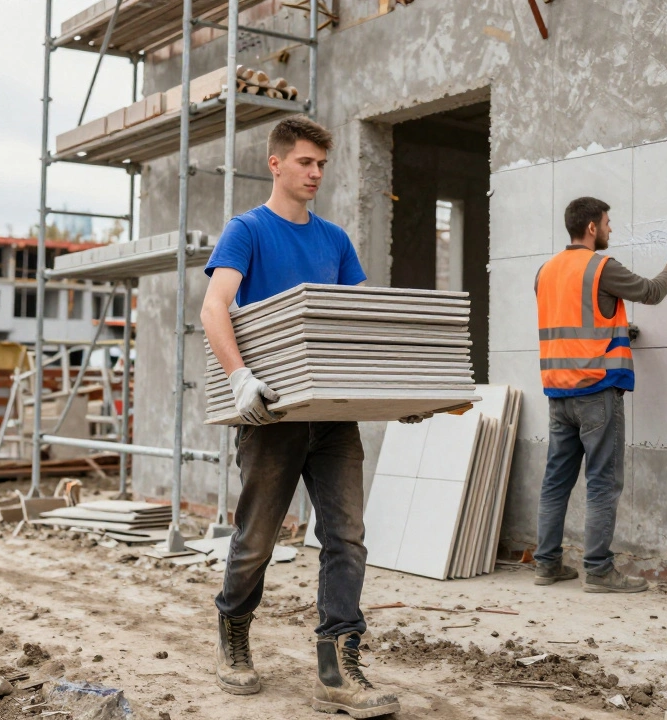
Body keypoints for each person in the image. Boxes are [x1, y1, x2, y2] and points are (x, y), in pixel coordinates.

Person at [200, 116, 401, 718]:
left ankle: (336, 667)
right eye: (306, 163)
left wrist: (395, 398)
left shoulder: (335, 240)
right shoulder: (247, 231)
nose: (316, 174)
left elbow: (355, 328)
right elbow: (215, 307)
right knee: (257, 539)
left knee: (347, 538)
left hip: (334, 418)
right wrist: (240, 378)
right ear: (277, 163)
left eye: (321, 165)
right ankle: (233, 630)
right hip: (269, 413)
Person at [532, 196, 667, 593]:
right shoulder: (602, 267)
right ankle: (599, 572)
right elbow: (652, 292)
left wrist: (620, 331)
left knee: (556, 481)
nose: (610, 228)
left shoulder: (545, 271)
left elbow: (576, 317)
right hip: (596, 392)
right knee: (603, 483)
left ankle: (546, 564)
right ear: (591, 227)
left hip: (557, 393)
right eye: (607, 222)